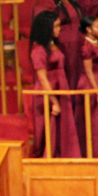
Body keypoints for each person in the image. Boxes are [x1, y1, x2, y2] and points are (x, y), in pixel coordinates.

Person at [30, 11, 81, 158]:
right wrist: (54, 102)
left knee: (62, 126)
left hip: (60, 87)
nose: (60, 29)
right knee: (50, 127)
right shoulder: (38, 50)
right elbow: (43, 79)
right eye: (57, 26)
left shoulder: (52, 45)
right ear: (47, 28)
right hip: (48, 92)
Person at [33, 0, 84, 86]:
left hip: (76, 41)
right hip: (62, 43)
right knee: (68, 75)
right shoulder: (44, 0)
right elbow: (44, 24)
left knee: (77, 75)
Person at [75, 16, 98, 158]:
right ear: (88, 29)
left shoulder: (97, 41)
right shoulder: (86, 46)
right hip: (91, 83)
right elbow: (88, 70)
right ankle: (95, 154)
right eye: (97, 27)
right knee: (95, 121)